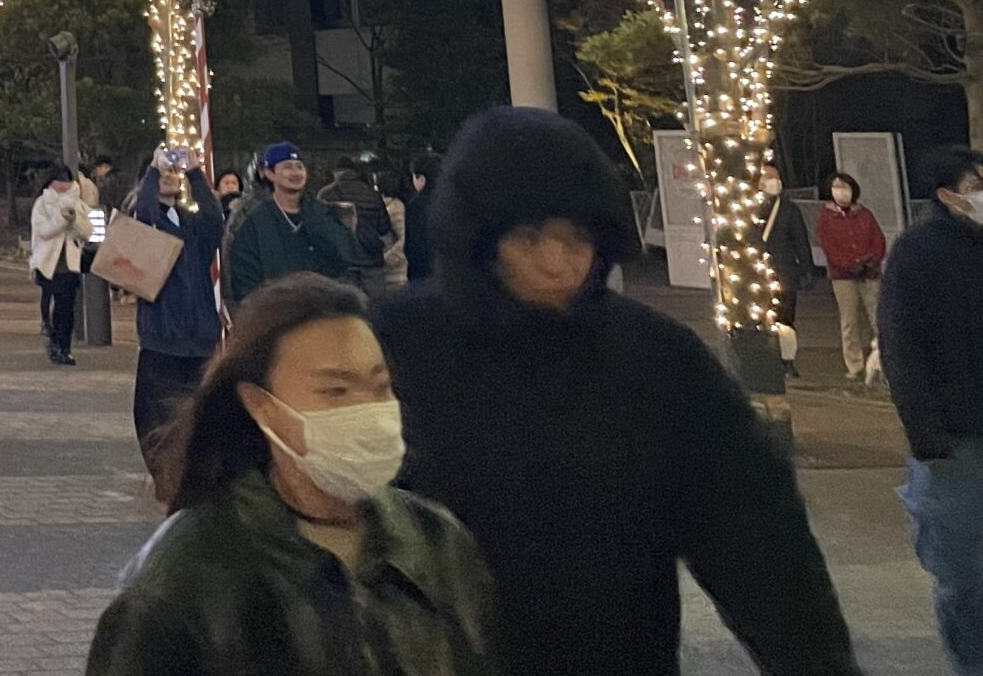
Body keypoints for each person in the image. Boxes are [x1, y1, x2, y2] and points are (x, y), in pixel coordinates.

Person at [380, 106, 857, 676]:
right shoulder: (397, 349)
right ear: (480, 239)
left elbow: (756, 538)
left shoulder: (655, 357)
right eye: (529, 238)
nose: (557, 264)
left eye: (576, 239)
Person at [87, 273, 500, 676]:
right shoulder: (188, 573)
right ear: (262, 406)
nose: (367, 410)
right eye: (335, 391)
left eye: (380, 387)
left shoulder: (437, 543)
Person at [882, 145, 983, 676]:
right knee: (964, 571)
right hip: (955, 440)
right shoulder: (917, 252)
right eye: (977, 184)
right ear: (948, 195)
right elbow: (901, 346)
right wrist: (926, 435)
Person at [130, 143, 224, 464]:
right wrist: (152, 171)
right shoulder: (147, 221)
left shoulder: (191, 224)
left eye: (174, 172)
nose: (170, 177)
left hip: (200, 339)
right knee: (157, 422)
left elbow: (214, 221)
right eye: (163, 173)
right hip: (162, 339)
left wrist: (195, 172)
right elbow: (145, 216)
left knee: (200, 423)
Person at [226, 142, 354, 307]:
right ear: (269, 173)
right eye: (287, 167)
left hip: (321, 309)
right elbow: (244, 275)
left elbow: (344, 256)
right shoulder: (255, 220)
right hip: (276, 310)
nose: (295, 172)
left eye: (299, 167)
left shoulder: (321, 212)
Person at [816, 170, 886, 386]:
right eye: (836, 187)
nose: (841, 192)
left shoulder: (865, 214)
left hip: (870, 273)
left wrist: (870, 261)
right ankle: (854, 364)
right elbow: (829, 247)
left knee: (878, 318)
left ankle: (885, 360)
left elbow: (878, 241)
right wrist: (849, 265)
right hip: (842, 277)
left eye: (844, 187)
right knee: (849, 321)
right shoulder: (825, 217)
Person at [31, 163, 93, 366]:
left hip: (70, 263)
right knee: (49, 303)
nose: (64, 185)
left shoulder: (78, 204)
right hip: (47, 262)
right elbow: (44, 231)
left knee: (66, 307)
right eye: (60, 180)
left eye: (67, 180)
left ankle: (63, 346)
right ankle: (52, 340)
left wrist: (74, 221)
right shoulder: (42, 203)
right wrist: (62, 220)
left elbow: (88, 231)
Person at [318, 155, 396, 302]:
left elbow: (320, 231)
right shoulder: (372, 194)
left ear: (336, 172)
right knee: (377, 305)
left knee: (346, 306)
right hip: (372, 258)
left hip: (342, 260)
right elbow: (384, 227)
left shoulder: (326, 194)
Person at [758, 165, 816, 356]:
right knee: (763, 318)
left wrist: (807, 268)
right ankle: (768, 355)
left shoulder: (789, 209)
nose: (773, 181)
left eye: (776, 177)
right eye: (767, 177)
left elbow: (801, 241)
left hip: (785, 273)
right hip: (759, 274)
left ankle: (787, 357)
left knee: (785, 319)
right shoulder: (750, 209)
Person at [403, 153, 439, 284]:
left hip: (423, 271)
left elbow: (413, 243)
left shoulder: (416, 204)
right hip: (446, 268)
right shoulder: (449, 199)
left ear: (421, 178)